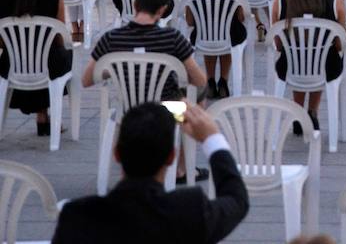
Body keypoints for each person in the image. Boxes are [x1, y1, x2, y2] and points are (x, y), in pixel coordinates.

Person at [53, 99, 247, 243]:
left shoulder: (76, 217)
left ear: (117, 154)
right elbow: (237, 199)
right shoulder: (189, 212)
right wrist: (211, 138)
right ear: (171, 157)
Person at [270, 0, 346, 133]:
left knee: (299, 55)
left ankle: (298, 111)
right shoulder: (335, 1)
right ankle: (312, 111)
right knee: (322, 55)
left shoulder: (281, 2)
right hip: (325, 67)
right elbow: (339, 43)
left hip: (289, 66)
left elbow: (278, 44)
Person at [0, 0, 72, 135]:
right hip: (47, 67)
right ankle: (43, 115)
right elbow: (59, 38)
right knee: (58, 55)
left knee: (34, 56)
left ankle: (41, 115)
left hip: (11, 65)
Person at [184, 0, 247, 101]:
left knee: (209, 29)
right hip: (231, 34)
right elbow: (241, 16)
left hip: (203, 35)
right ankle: (224, 81)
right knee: (230, 29)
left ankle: (210, 80)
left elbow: (190, 21)